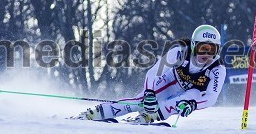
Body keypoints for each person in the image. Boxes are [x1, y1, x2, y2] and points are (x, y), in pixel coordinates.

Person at [74, 24, 226, 124]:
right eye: (202, 49)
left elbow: (211, 97)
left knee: (191, 95)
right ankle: (94, 113)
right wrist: (149, 93)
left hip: (189, 93)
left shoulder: (218, 68)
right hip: (170, 82)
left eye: (212, 50)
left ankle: (147, 118)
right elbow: (155, 72)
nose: (206, 54)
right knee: (139, 102)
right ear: (193, 46)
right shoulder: (180, 52)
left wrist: (193, 105)